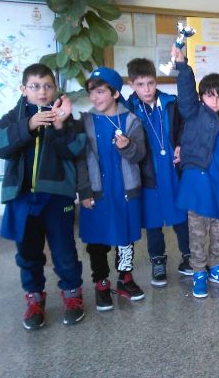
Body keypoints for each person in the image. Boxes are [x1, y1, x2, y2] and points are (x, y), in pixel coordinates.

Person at [0, 64, 86, 330]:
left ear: (55, 88)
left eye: (47, 86)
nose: (42, 92)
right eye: (35, 86)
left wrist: (60, 126)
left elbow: (76, 149)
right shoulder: (15, 116)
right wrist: (28, 126)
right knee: (28, 252)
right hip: (21, 198)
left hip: (57, 197)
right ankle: (34, 298)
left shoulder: (65, 116)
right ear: (24, 89)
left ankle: (72, 296)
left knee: (64, 251)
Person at [172, 49, 219, 299]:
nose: (214, 101)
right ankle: (199, 272)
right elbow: (185, 93)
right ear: (201, 97)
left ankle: (216, 268)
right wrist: (182, 66)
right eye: (209, 96)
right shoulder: (194, 113)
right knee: (197, 232)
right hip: (197, 186)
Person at [77, 67, 149, 311]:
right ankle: (101, 283)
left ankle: (125, 278)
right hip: (97, 191)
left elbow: (139, 155)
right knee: (96, 239)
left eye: (100, 92)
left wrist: (126, 146)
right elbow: (80, 160)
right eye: (91, 92)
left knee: (125, 237)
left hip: (124, 190)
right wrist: (84, 191)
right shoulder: (86, 121)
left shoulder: (130, 120)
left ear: (115, 93)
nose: (94, 97)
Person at [125, 58, 191, 287]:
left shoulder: (171, 103)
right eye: (140, 84)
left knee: (181, 216)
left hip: (172, 169)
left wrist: (181, 145)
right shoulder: (129, 109)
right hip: (148, 171)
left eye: (150, 83)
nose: (146, 89)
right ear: (132, 84)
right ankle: (158, 260)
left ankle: (188, 255)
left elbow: (184, 127)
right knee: (152, 219)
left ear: (156, 81)